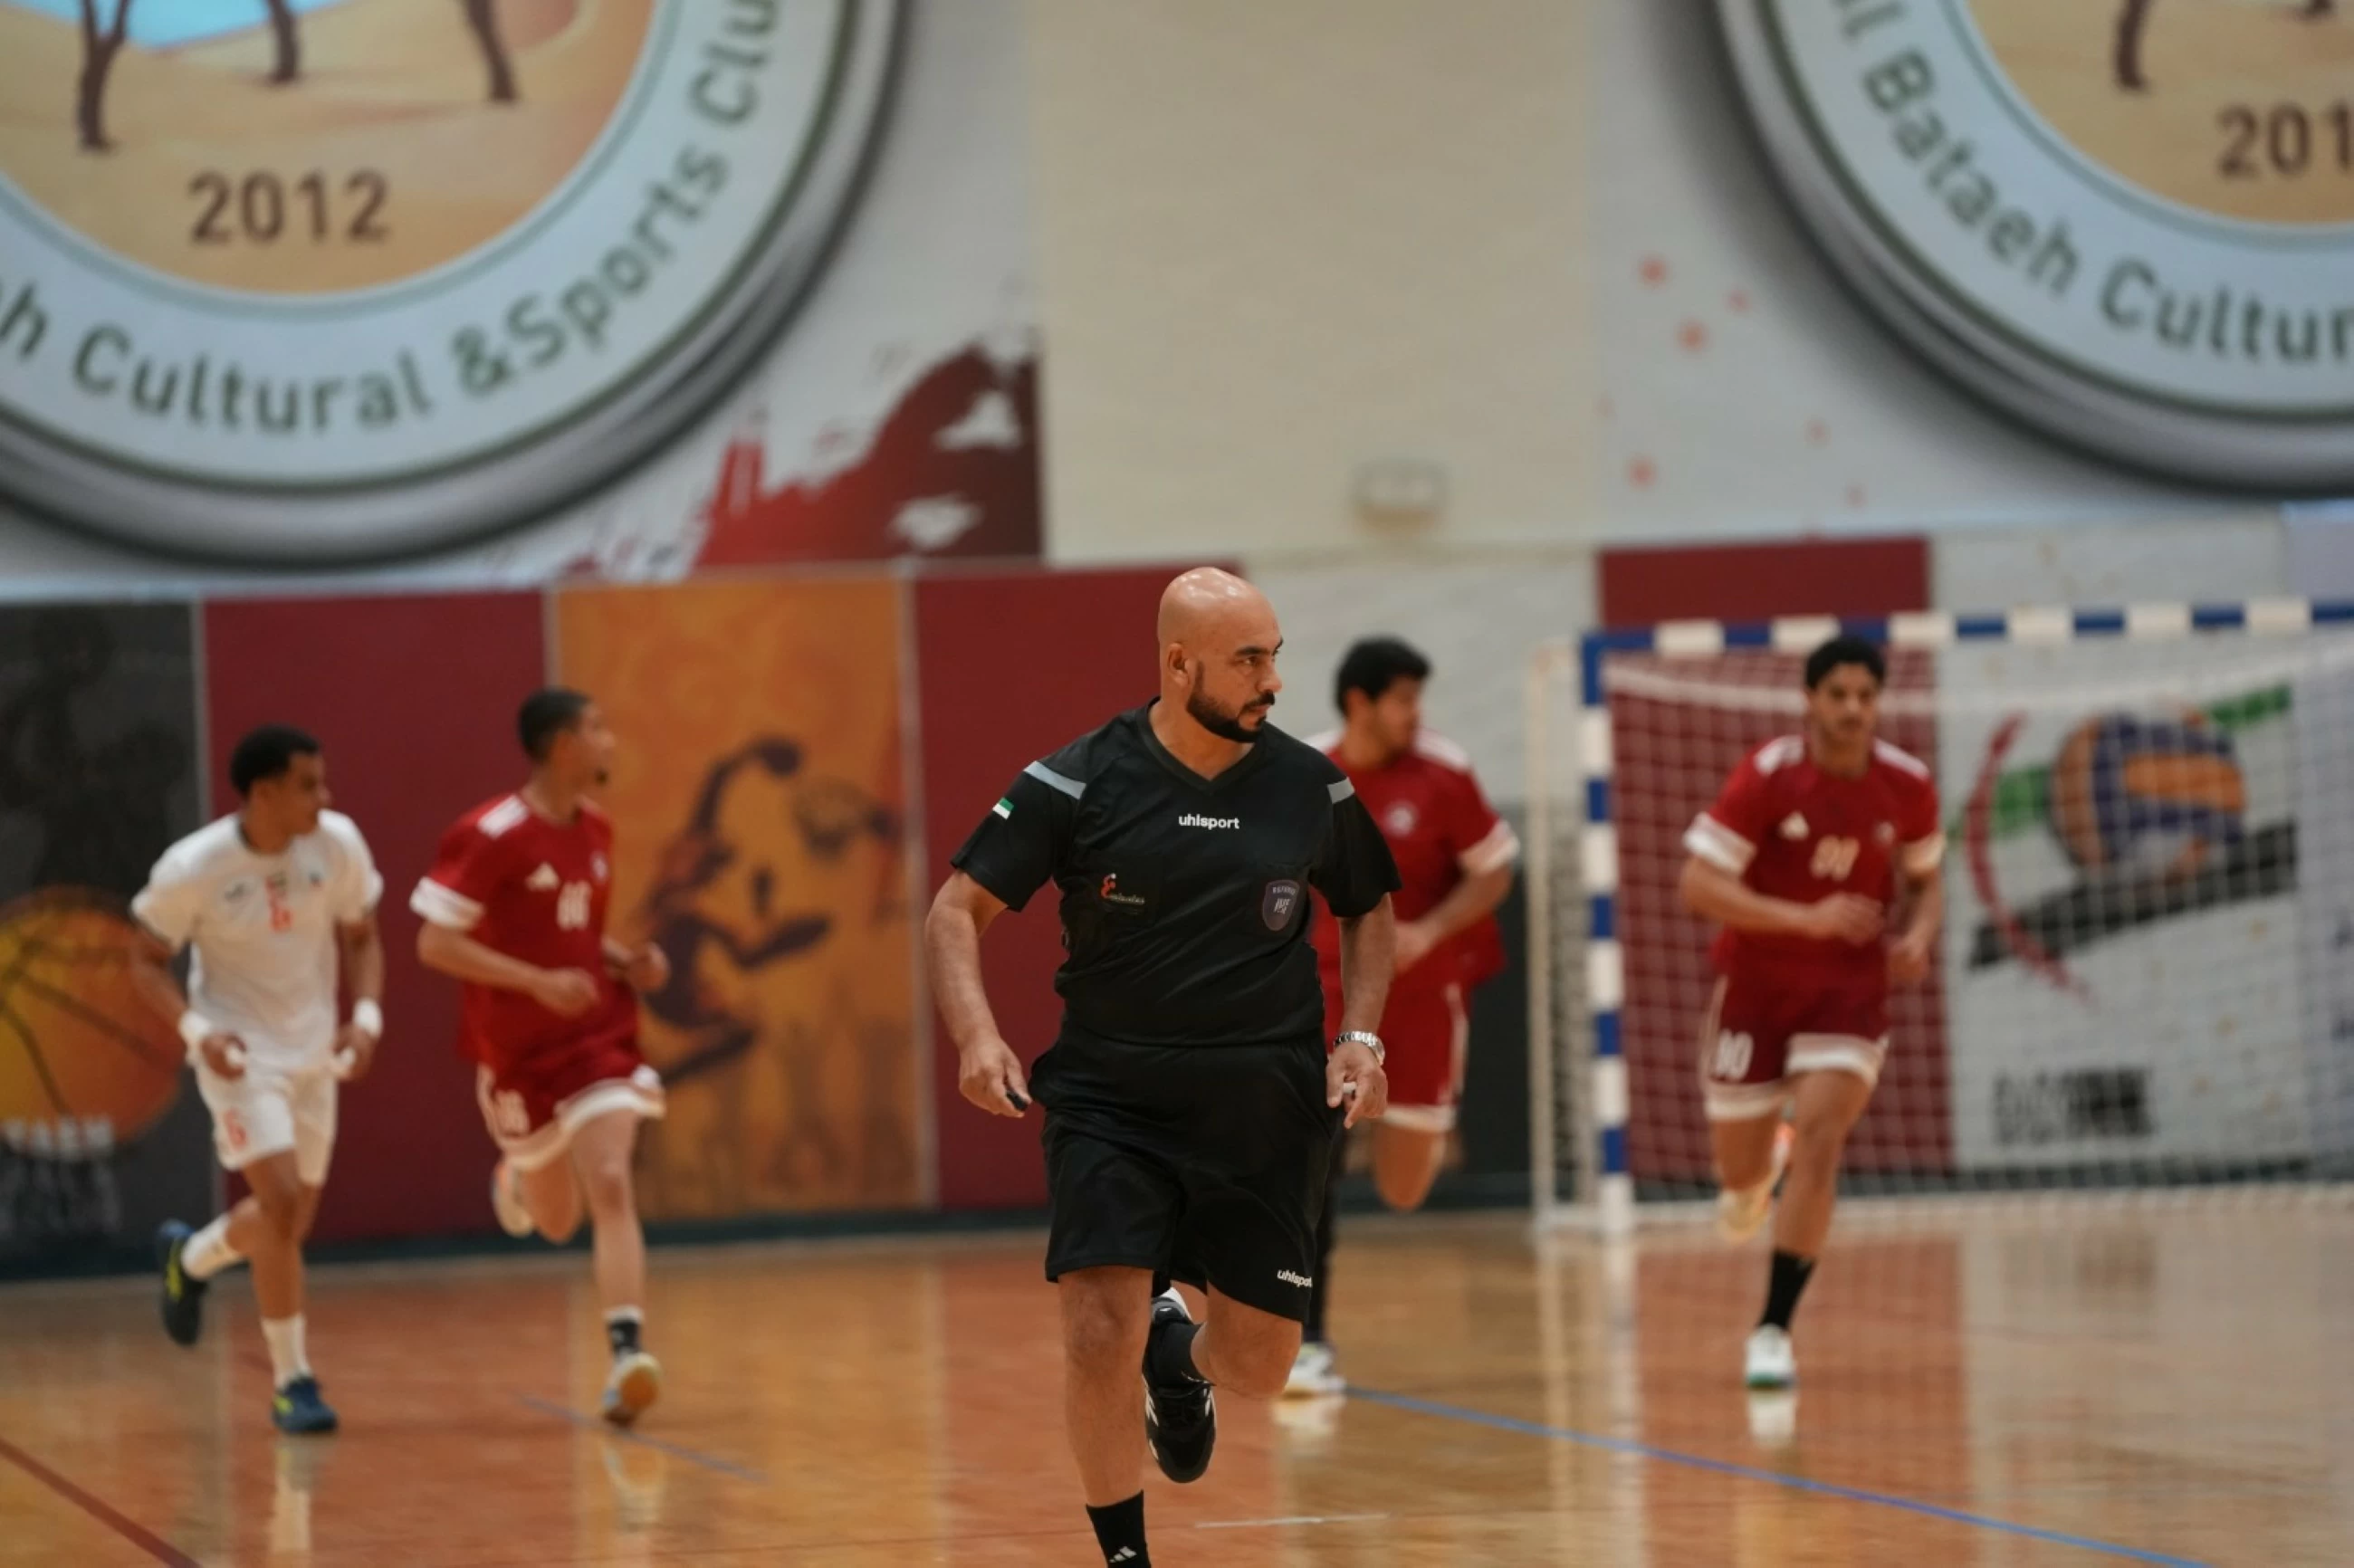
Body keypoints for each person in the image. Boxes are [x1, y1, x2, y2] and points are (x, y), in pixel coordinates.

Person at [924, 568, 1400, 1568]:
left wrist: (1360, 1037)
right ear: (1177, 665)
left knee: (1264, 1365)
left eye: (1273, 654)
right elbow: (951, 913)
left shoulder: (1308, 785)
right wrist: (976, 1034)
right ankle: (1125, 1557)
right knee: (1098, 1326)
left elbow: (1366, 906)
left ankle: (1177, 1360)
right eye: (1248, 660)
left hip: (1263, 1100)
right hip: (1111, 1097)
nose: (1272, 678)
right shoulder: (1075, 779)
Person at [1678, 636, 1942, 1390]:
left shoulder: (1907, 784)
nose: (1853, 709)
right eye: (1839, 695)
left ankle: (1773, 1329)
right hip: (1756, 989)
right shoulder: (1768, 777)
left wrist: (1919, 935)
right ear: (1811, 699)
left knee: (1825, 1140)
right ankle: (1759, 1171)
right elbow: (1697, 885)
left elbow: (1927, 879)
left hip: (1849, 994)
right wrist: (1807, 919)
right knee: (1739, 1179)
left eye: (1866, 695)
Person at [410, 689, 672, 1426]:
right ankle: (518, 1178)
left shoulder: (596, 829)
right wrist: (534, 982)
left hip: (595, 1038)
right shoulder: (492, 833)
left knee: (613, 1180)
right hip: (517, 1052)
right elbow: (435, 943)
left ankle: (626, 1357)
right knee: (556, 1221)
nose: (611, 742)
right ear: (563, 746)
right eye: (598, 729)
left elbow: (580, 936)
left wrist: (627, 962)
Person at [137, 725, 385, 1436]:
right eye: (309, 784)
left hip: (314, 1054)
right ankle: (292, 1382)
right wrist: (197, 1033)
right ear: (263, 791)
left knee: (288, 1223)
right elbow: (142, 960)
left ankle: (190, 1256)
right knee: (277, 1202)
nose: (324, 797)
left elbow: (364, 938)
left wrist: (365, 1020)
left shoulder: (336, 843)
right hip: (240, 1056)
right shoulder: (196, 866)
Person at [1288, 636, 1519, 1398]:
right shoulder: (1306, 772)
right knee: (1310, 1165)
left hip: (1423, 998)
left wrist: (1432, 930)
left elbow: (1493, 872)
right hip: (1327, 989)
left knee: (1405, 1187)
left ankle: (1361, 1138)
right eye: (1404, 700)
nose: (1416, 715)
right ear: (1360, 702)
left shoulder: (1444, 773)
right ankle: (1309, 1337)